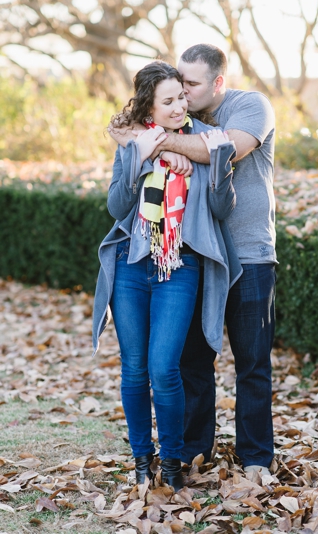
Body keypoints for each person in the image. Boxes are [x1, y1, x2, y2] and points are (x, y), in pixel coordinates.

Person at [108, 44, 277, 481]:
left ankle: (256, 457)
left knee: (252, 361)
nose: (182, 91)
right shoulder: (176, 125)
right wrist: (144, 143)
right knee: (191, 361)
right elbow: (125, 155)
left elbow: (221, 151)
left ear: (217, 83)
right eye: (177, 84)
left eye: (190, 85)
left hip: (250, 252)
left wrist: (157, 144)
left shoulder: (250, 107)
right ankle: (193, 452)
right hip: (193, 255)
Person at [92, 61, 241, 489]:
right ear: (149, 108)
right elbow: (118, 207)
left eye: (182, 97)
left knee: (164, 367)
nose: (180, 107)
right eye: (169, 101)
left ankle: (172, 464)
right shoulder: (134, 143)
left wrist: (220, 162)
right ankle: (143, 461)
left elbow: (221, 209)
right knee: (134, 368)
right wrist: (140, 156)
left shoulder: (203, 142)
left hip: (179, 266)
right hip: (131, 265)